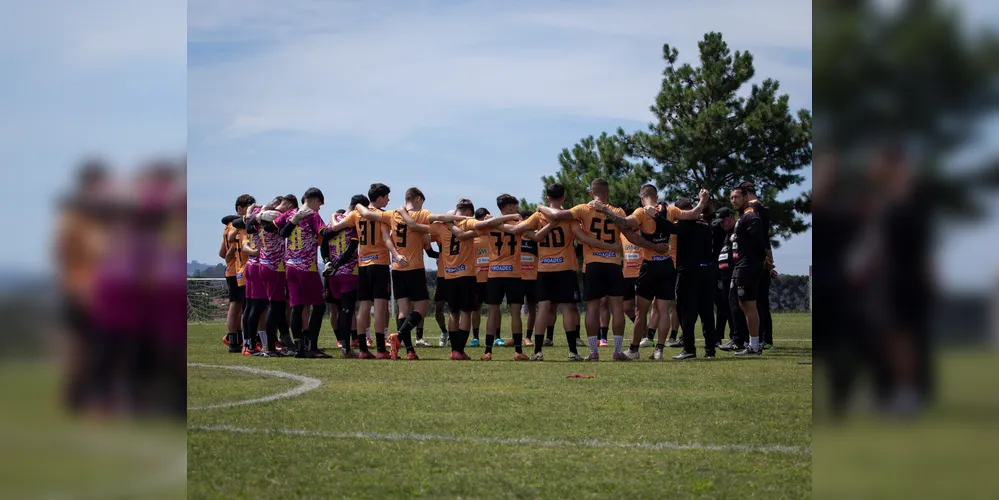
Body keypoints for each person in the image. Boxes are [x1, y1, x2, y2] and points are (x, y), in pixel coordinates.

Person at [504, 183, 615, 361]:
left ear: (547, 198)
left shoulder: (539, 215)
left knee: (543, 309)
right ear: (563, 197)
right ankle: (572, 352)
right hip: (565, 269)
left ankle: (538, 352)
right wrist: (610, 246)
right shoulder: (569, 217)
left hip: (544, 269)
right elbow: (584, 238)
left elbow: (518, 230)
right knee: (567, 308)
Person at [596, 184, 699, 360]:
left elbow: (624, 223)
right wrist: (702, 200)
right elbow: (693, 214)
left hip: (650, 265)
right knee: (663, 309)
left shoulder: (641, 212)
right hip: (667, 264)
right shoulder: (670, 209)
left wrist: (604, 210)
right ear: (656, 196)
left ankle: (634, 350)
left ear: (641, 197)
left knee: (641, 311)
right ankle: (659, 350)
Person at [538, 178, 630, 361]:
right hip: (613, 264)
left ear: (591, 192)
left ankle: (594, 352)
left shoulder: (583, 209)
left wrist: (541, 207)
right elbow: (627, 226)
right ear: (608, 192)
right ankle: (617, 351)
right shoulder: (618, 211)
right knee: (617, 308)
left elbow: (557, 215)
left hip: (593, 264)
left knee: (592, 309)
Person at [327, 183, 407, 359]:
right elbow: (386, 239)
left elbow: (335, 228)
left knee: (363, 307)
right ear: (379, 197)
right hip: (379, 264)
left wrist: (333, 216)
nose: (388, 200)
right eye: (387, 197)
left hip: (362, 265)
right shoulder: (382, 216)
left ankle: (363, 349)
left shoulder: (356, 214)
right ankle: (381, 349)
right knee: (379, 307)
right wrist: (396, 254)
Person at [410, 199, 478, 359]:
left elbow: (420, 227)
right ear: (469, 213)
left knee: (453, 313)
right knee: (466, 313)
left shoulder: (440, 226)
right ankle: (459, 351)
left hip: (448, 276)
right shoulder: (468, 222)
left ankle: (454, 350)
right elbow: (481, 227)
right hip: (466, 275)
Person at [469, 194, 528, 360]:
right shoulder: (517, 223)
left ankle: (487, 351)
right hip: (513, 273)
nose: (517, 210)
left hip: (494, 273)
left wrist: (494, 220)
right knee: (515, 313)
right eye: (515, 206)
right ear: (510, 207)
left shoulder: (491, 224)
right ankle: (518, 351)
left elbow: (478, 227)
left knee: (493, 312)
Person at [274, 187, 331, 358]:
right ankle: (311, 345)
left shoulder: (290, 214)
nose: (319, 207)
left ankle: (299, 346)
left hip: (290, 266)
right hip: (307, 267)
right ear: (313, 200)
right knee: (319, 306)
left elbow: (279, 231)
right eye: (319, 204)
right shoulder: (313, 215)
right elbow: (324, 232)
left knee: (297, 306)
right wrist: (340, 225)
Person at [384, 187, 436, 360]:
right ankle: (398, 337)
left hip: (397, 268)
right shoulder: (422, 214)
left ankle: (409, 351)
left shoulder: (392, 214)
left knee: (403, 310)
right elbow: (433, 224)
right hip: (414, 267)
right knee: (422, 308)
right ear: (418, 199)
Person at [669, 197, 718, 360]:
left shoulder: (681, 225)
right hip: (707, 271)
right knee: (707, 313)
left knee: (686, 313)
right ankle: (710, 350)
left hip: (688, 273)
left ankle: (689, 348)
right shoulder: (705, 225)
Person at [254, 195, 298, 356]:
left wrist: (257, 214)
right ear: (288, 206)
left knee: (278, 306)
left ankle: (286, 342)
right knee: (274, 307)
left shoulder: (262, 215)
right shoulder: (278, 216)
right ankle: (269, 347)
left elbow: (248, 223)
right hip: (275, 266)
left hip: (265, 263)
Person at [323, 198, 366, 357]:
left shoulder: (333, 221)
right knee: (347, 310)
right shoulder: (353, 221)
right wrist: (339, 263)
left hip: (333, 274)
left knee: (340, 310)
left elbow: (324, 242)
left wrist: (328, 262)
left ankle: (343, 344)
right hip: (348, 272)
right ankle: (346, 348)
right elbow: (352, 247)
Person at [737, 181, 778, 349]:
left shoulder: (752, 209)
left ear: (745, 194)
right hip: (763, 255)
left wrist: (766, 260)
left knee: (754, 302)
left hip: (754, 259)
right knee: (760, 301)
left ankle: (761, 339)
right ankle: (765, 339)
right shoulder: (763, 207)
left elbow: (759, 238)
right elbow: (765, 238)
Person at [728, 185, 767, 356]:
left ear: (745, 197)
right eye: (731, 198)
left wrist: (758, 262)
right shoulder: (742, 216)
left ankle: (755, 345)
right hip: (742, 265)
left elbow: (759, 241)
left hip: (747, 266)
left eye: (736, 197)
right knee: (742, 303)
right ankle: (750, 343)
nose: (733, 200)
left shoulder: (750, 215)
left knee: (748, 304)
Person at [221, 194, 255, 352]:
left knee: (238, 306)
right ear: (240, 208)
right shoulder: (237, 226)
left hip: (233, 270)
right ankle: (237, 340)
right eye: (248, 208)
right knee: (239, 306)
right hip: (238, 269)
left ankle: (235, 339)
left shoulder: (228, 225)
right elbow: (226, 254)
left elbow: (222, 253)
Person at [712, 208, 739, 351]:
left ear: (730, 217)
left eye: (723, 221)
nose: (722, 225)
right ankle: (733, 336)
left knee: (736, 309)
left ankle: (740, 338)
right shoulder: (726, 234)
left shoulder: (737, 231)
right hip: (724, 277)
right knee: (728, 308)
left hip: (734, 276)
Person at [469, 208, 492, 347]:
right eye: (481, 218)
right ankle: (475, 337)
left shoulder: (492, 234)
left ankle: (496, 336)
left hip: (492, 277)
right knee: (476, 308)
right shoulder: (472, 236)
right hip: (476, 278)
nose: (484, 221)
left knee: (493, 308)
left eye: (486, 218)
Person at [518, 209, 539, 348]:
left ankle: (528, 337)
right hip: (518, 279)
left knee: (532, 309)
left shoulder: (536, 238)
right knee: (515, 310)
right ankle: (515, 337)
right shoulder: (516, 236)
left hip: (533, 279)